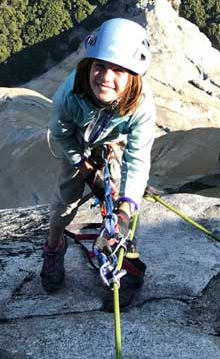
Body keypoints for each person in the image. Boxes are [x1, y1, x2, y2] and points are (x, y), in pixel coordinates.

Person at [40, 17, 157, 305]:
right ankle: (54, 246)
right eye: (100, 66)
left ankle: (120, 256)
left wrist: (128, 205)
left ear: (133, 77)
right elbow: (61, 135)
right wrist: (82, 165)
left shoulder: (141, 107)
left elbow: (138, 157)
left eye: (118, 70)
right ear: (88, 66)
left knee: (120, 206)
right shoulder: (69, 94)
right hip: (77, 143)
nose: (106, 76)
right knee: (66, 200)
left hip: (113, 143)